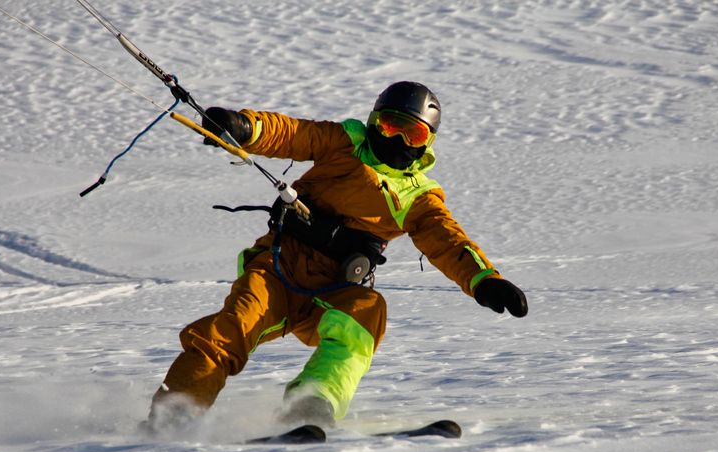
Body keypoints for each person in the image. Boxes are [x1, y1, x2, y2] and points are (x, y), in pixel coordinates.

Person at [147, 81, 528, 431]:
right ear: (373, 123)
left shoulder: (418, 198)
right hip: (278, 270)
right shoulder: (344, 144)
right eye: (389, 126)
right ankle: (175, 412)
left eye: (412, 133)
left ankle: (311, 404)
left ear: (426, 142)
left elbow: (449, 242)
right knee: (232, 329)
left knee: (367, 311)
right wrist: (245, 128)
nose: (396, 139)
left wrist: (485, 280)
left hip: (331, 292)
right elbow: (293, 134)